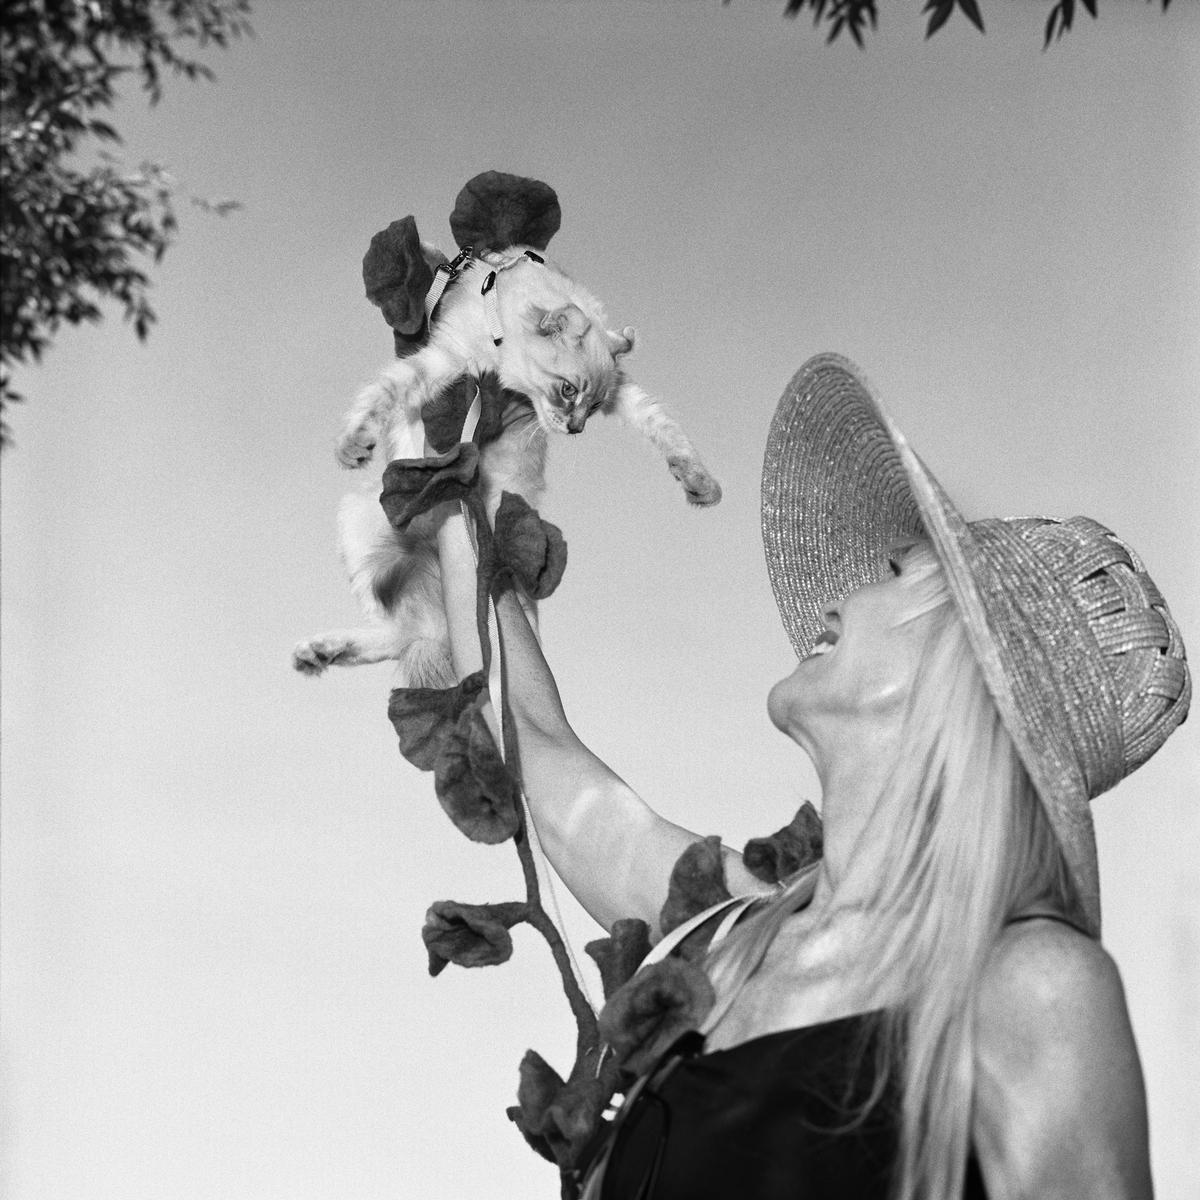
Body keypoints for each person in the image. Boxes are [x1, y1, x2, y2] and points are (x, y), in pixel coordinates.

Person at [433, 353, 1190, 1199]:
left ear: (967, 669)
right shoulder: (718, 938)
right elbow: (533, 748)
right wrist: (465, 469)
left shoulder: (1034, 992)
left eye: (896, 573)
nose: (838, 603)